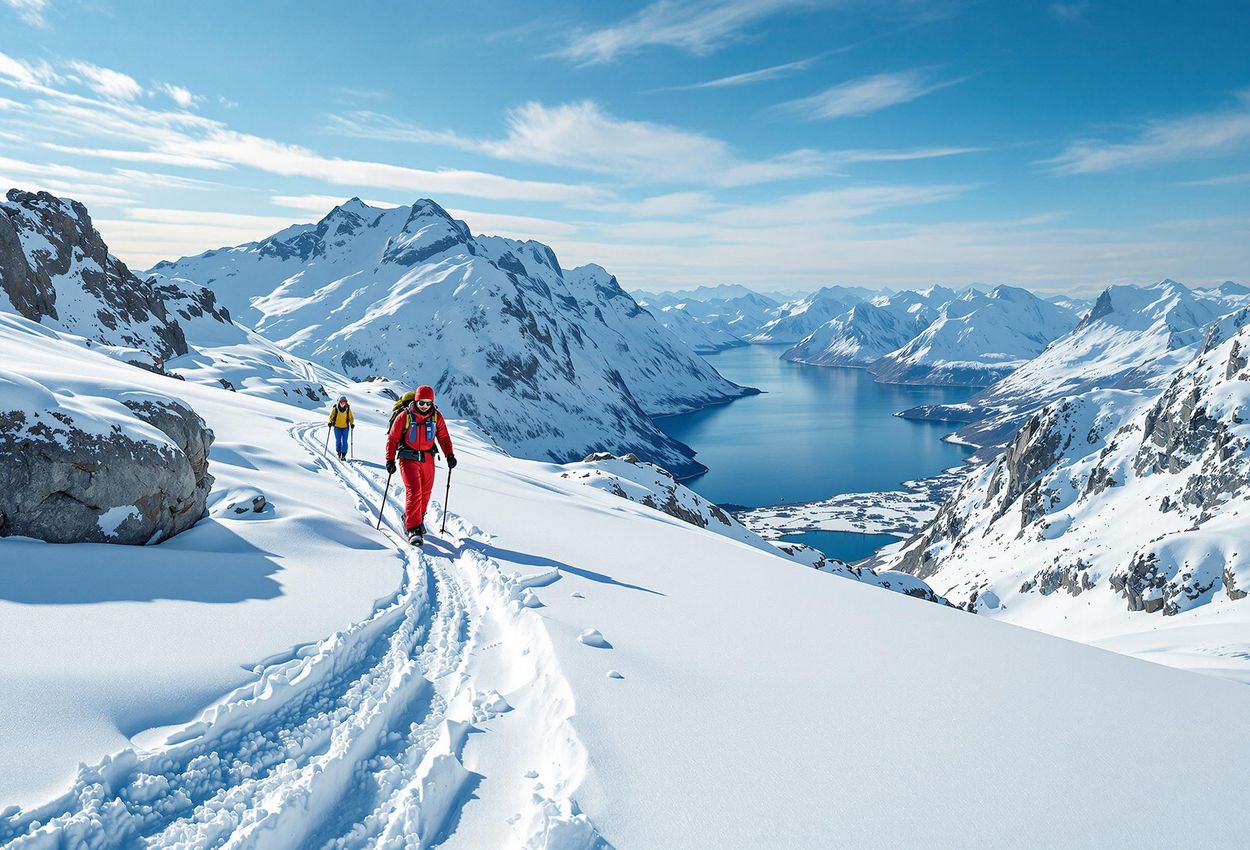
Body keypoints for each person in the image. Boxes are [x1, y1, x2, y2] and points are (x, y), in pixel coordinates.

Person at [385, 385, 456, 546]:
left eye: (428, 403)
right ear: (416, 401)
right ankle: (413, 528)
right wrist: (389, 460)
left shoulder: (436, 417)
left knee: (426, 492)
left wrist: (449, 455)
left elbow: (443, 438)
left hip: (428, 458)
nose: (424, 406)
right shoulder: (405, 416)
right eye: (421, 403)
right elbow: (393, 438)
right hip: (408, 458)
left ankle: (417, 517)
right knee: (414, 491)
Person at [327, 395, 354, 460]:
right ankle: (339, 452)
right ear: (339, 402)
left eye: (345, 401)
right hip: (337, 427)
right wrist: (330, 422)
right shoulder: (335, 408)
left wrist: (352, 423)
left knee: (345, 441)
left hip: (345, 427)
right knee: (338, 440)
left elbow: (350, 417)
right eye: (342, 401)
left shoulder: (348, 409)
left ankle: (343, 454)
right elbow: (331, 416)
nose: (343, 403)